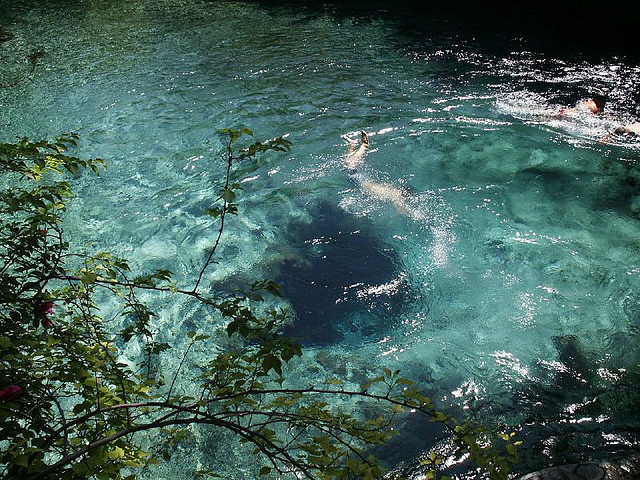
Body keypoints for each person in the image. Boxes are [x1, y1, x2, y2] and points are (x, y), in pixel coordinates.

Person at [343, 130, 409, 215]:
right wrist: (410, 214)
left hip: (359, 180)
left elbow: (400, 208)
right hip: (359, 180)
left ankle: (353, 145)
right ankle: (364, 146)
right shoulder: (395, 194)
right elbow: (401, 210)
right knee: (349, 164)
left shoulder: (393, 192)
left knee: (347, 164)